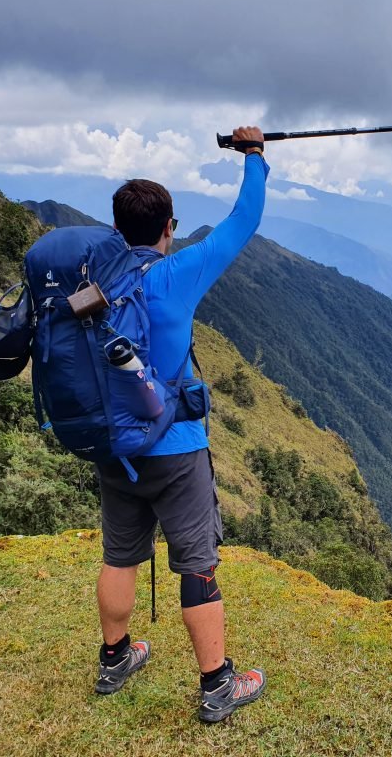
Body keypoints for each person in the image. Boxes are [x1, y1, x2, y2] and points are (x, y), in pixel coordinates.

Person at [92, 126, 269, 724]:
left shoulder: (93, 287)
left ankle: (115, 658)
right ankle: (218, 683)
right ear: (169, 229)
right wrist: (254, 154)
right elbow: (242, 222)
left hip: (115, 447)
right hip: (176, 446)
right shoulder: (175, 275)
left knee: (120, 555)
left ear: (117, 230)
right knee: (197, 563)